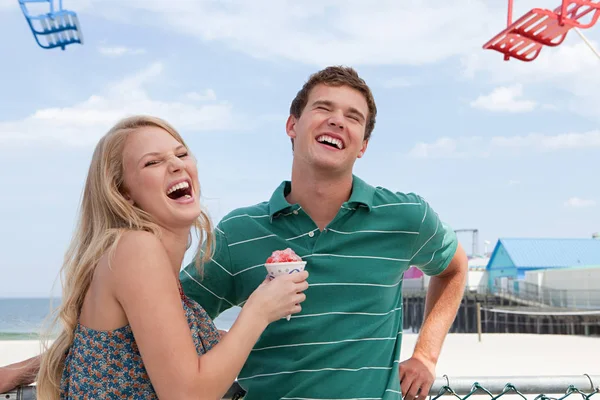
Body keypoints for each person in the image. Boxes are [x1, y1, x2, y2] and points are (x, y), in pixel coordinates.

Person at [1, 66, 467, 399]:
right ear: (292, 125)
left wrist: (425, 354)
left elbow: (454, 268)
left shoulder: (407, 216)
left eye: (353, 117)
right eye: (323, 108)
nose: (336, 120)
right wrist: (26, 370)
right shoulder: (238, 232)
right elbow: (148, 336)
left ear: (363, 145)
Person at [0, 116, 309, 399]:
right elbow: (187, 394)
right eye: (153, 163)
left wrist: (22, 369)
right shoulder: (137, 249)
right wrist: (259, 310)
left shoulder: (141, 262)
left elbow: (108, 354)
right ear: (123, 193)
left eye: (181, 153)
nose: (176, 165)